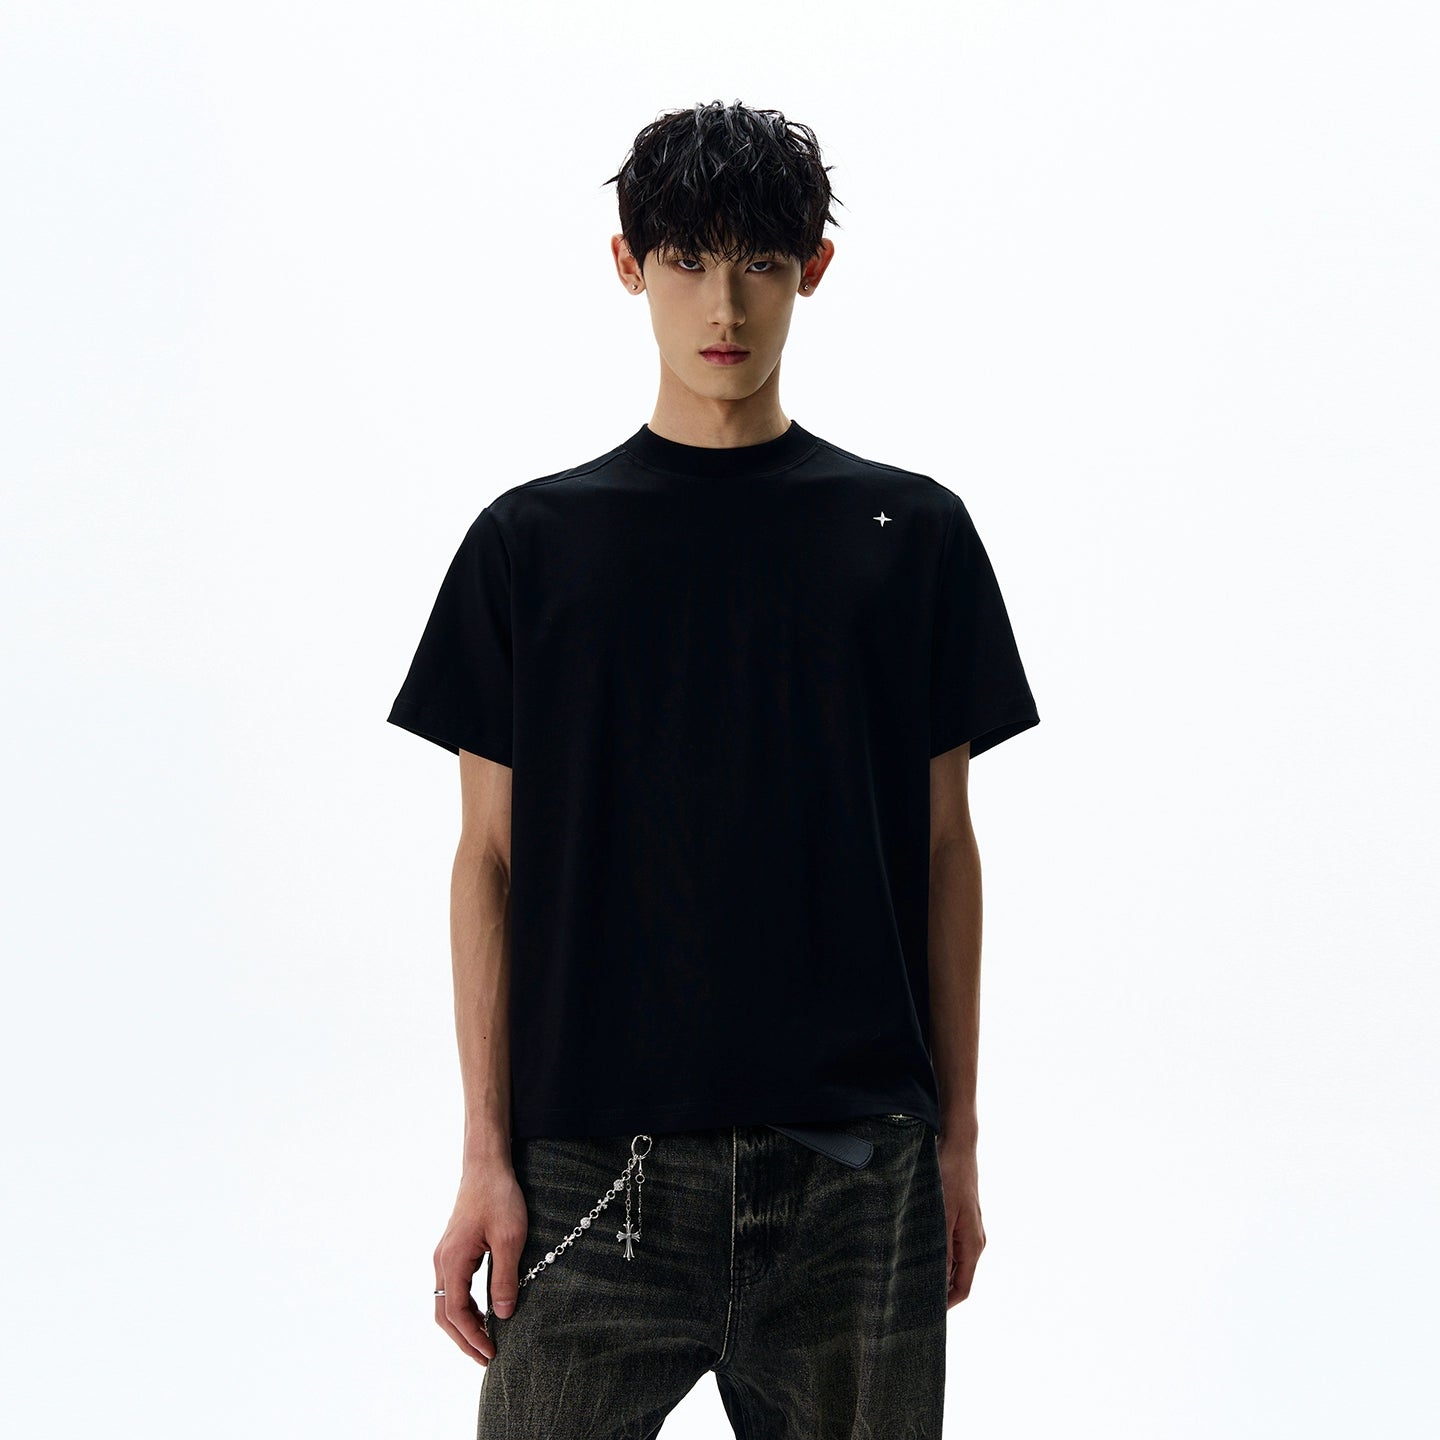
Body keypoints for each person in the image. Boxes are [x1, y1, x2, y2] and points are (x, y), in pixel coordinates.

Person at [386, 98, 1041, 1438]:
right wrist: (484, 1156)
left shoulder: (909, 535)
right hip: (591, 1175)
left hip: (855, 1172)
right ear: (628, 265)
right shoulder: (531, 548)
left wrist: (959, 1143)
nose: (723, 304)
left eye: (759, 260)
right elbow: (489, 861)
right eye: (686, 260)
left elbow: (945, 852)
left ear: (815, 268)